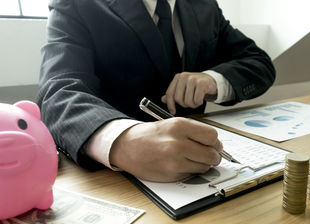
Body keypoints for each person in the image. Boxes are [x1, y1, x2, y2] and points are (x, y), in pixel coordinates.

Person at [37, 0, 276, 182]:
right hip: (115, 181)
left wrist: (213, 80)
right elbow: (58, 90)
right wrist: (121, 140)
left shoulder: (205, 6)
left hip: (202, 171)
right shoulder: (78, 4)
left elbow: (259, 63)